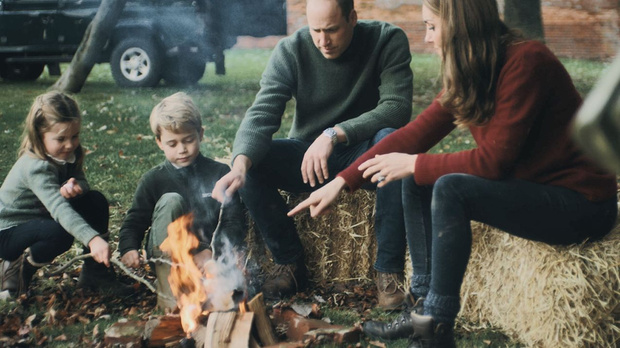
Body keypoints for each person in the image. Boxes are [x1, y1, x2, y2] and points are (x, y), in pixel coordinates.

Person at [288, 0, 618, 345]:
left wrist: (416, 163)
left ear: (459, 25)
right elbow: (414, 135)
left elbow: (494, 163)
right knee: (418, 178)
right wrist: (343, 181)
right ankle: (421, 307)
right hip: (534, 189)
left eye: (431, 26)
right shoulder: (477, 70)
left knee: (447, 187)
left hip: (581, 206)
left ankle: (437, 326)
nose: (428, 39)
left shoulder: (527, 62)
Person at [211, 0, 413, 306]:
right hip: (308, 159)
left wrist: (333, 133)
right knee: (253, 164)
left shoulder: (387, 38)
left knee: (393, 142)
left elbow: (396, 108)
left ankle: (388, 272)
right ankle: (289, 262)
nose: (322, 40)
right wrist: (239, 164)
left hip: (364, 154)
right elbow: (262, 113)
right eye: (316, 30)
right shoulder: (291, 49)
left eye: (332, 29)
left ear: (353, 18)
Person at [118, 92, 246, 311]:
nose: (182, 149)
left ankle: (211, 294)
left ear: (201, 134)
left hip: (208, 254)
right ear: (159, 142)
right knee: (171, 200)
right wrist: (128, 247)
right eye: (172, 143)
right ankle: (171, 295)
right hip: (168, 254)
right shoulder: (153, 179)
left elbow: (234, 221)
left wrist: (211, 252)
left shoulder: (219, 173)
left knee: (227, 297)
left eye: (188, 140)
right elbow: (134, 221)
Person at [0, 91, 129, 298]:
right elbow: (59, 209)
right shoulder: (35, 167)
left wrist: (76, 187)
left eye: (74, 136)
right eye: (61, 138)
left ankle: (96, 275)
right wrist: (93, 239)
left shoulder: (70, 152)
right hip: (9, 231)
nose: (70, 144)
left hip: (41, 218)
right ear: (39, 137)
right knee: (60, 233)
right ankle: (16, 268)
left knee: (95, 201)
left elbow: (83, 183)